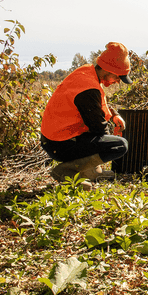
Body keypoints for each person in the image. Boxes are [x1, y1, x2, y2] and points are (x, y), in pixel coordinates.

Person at [40, 42, 131, 189]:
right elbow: (98, 129)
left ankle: (90, 171)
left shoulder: (88, 73)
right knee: (120, 145)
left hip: (56, 138)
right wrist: (108, 141)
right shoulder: (88, 89)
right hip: (60, 144)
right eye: (118, 77)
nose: (118, 81)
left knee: (106, 142)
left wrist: (113, 116)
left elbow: (97, 105)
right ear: (108, 70)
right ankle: (68, 172)